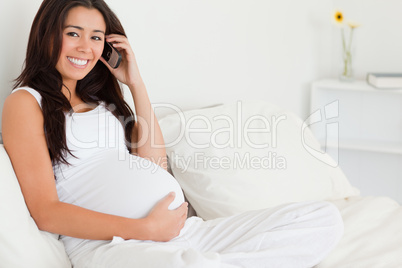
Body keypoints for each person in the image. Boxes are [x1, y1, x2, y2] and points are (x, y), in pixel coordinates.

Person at [2, 0, 344, 267]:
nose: (86, 47)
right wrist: (147, 230)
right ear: (47, 34)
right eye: (73, 33)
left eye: (95, 38)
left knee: (323, 220)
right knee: (184, 264)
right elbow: (46, 212)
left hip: (184, 234)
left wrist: (136, 83)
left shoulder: (103, 103)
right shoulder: (26, 102)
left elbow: (155, 166)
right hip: (115, 245)